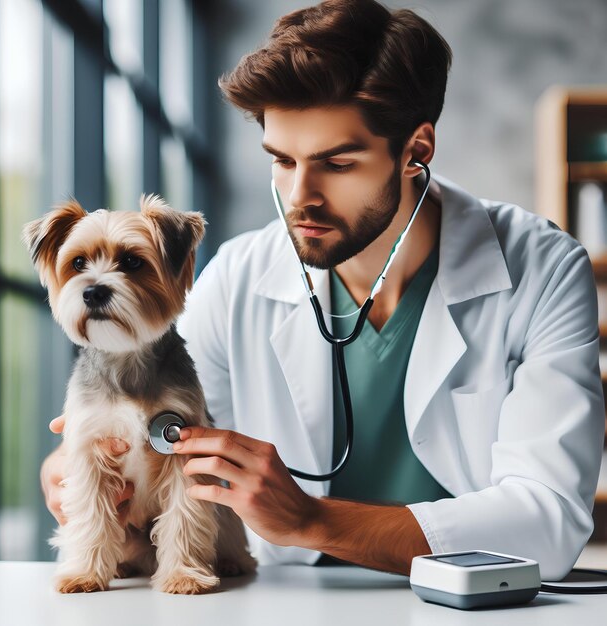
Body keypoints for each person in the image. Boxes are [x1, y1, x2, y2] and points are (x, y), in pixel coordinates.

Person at [41, 0, 604, 579]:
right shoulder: (238, 279)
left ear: (417, 152)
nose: (298, 196)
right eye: (282, 160)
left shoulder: (542, 269)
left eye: (335, 164)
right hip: (288, 601)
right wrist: (78, 467)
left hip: (478, 605)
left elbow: (549, 521)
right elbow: (167, 449)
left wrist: (312, 520)